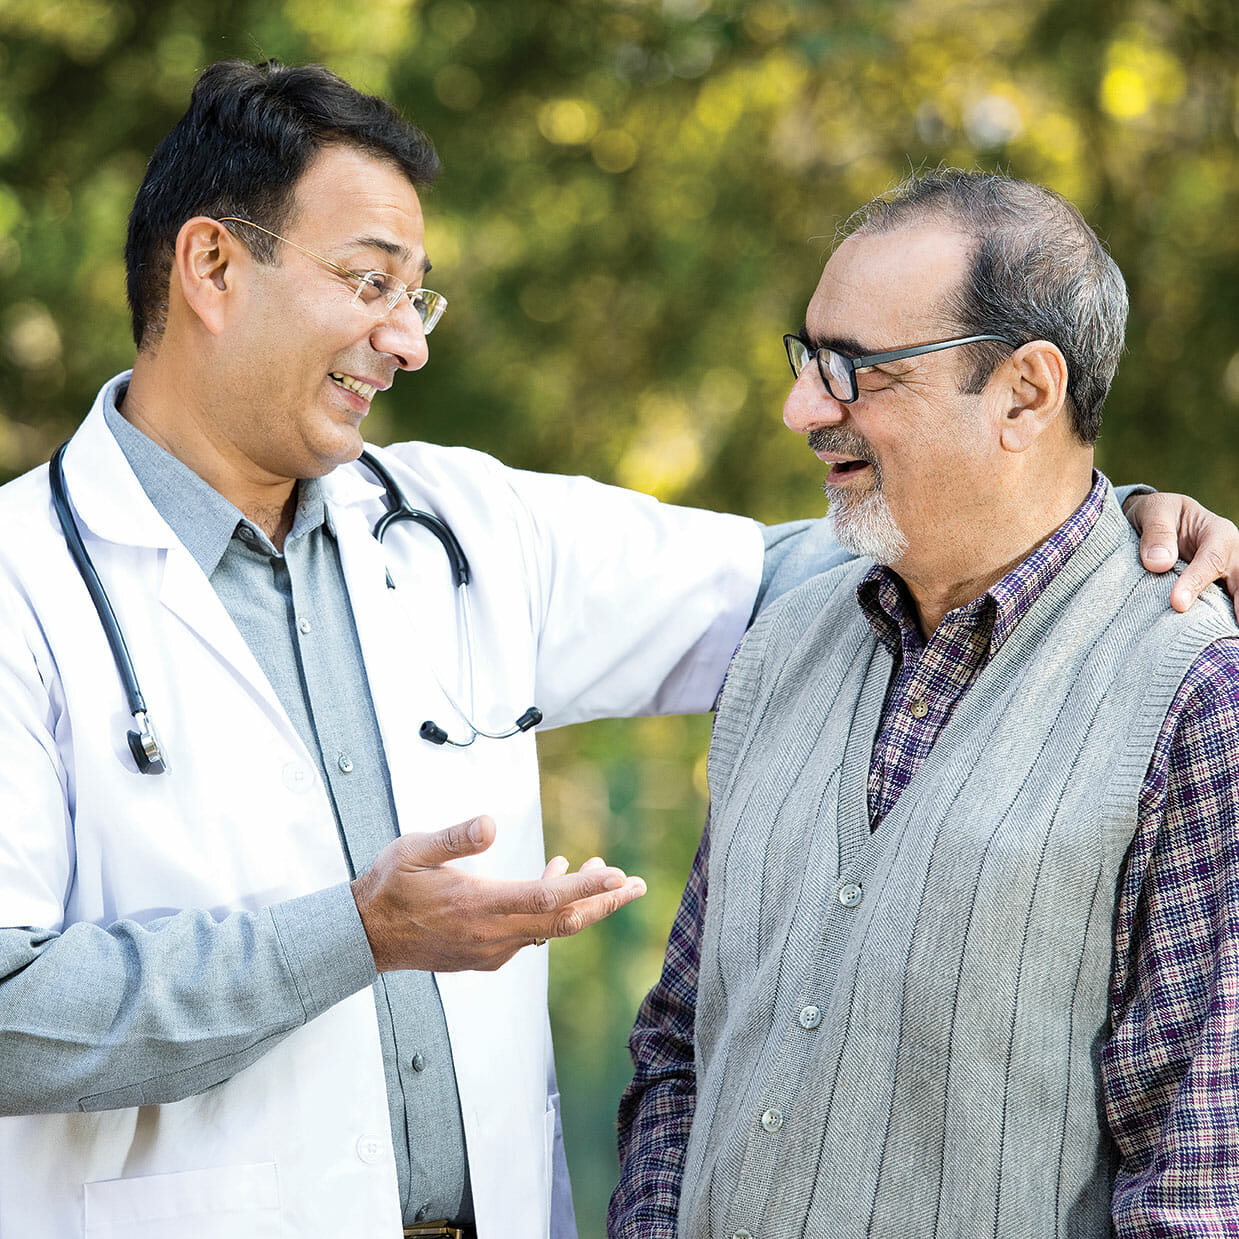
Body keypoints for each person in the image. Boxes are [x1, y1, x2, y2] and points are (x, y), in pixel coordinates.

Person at [0, 64, 1229, 1239]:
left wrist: (1118, 525)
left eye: (416, 295)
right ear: (212, 265)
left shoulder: (465, 529)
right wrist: (357, 935)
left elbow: (833, 556)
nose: (408, 339)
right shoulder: (23, 583)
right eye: (370, 283)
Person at [610, 170, 1239, 1239]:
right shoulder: (781, 649)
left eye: (854, 370)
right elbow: (680, 1052)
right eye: (807, 359)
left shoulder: (1191, 694)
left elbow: (1198, 1181)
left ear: (1026, 395)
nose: (803, 407)